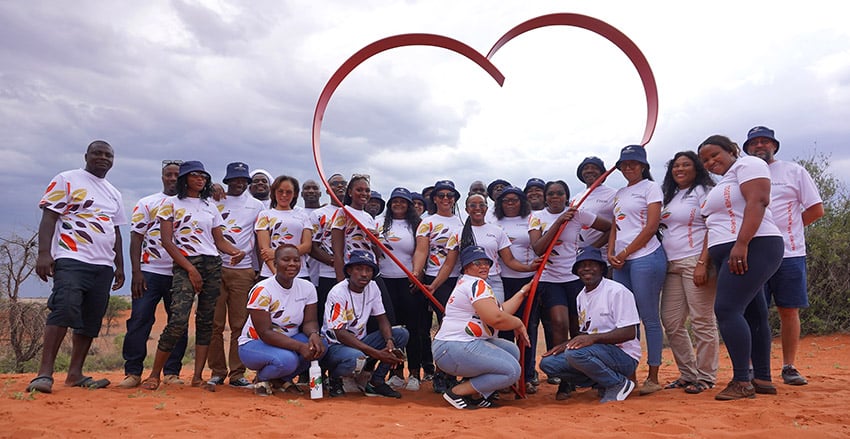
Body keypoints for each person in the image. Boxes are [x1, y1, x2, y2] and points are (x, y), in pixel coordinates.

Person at [28, 140, 126, 393]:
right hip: (72, 257)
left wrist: (120, 266)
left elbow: (115, 230)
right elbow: (49, 216)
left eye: (108, 155)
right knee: (64, 307)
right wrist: (43, 254)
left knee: (91, 319)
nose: (103, 158)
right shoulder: (66, 179)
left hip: (103, 264)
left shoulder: (113, 192)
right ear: (86, 156)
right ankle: (44, 374)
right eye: (98, 153)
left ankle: (75, 374)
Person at [141, 161, 246, 390]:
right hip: (186, 262)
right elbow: (167, 241)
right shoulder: (170, 204)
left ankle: (197, 376)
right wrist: (189, 269)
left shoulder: (210, 206)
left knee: (206, 321)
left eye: (204, 176)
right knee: (178, 319)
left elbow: (218, 242)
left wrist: (236, 252)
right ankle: (154, 374)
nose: (201, 180)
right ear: (185, 178)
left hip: (212, 264)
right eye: (195, 176)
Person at [698, 134, 784, 400]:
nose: (710, 162)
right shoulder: (724, 181)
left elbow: (757, 201)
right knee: (754, 312)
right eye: (705, 160)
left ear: (732, 150)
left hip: (753, 245)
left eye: (715, 155)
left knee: (726, 309)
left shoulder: (749, 165)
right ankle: (762, 378)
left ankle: (741, 381)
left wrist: (742, 243)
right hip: (734, 250)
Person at [743, 126, 824, 386]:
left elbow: (816, 209)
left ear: (774, 146)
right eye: (754, 143)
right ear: (747, 149)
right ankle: (754, 368)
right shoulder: (743, 174)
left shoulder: (794, 171)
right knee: (754, 312)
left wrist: (789, 230)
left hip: (790, 253)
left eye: (765, 142)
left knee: (789, 310)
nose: (760, 146)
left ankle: (789, 366)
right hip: (754, 254)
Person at [529, 180, 611, 398]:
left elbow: (609, 226)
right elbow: (538, 248)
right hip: (550, 279)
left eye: (560, 193)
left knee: (578, 327)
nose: (555, 197)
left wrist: (589, 251)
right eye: (551, 194)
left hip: (574, 278)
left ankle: (585, 374)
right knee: (558, 323)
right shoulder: (537, 217)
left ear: (566, 196)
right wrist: (558, 223)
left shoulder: (578, 213)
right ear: (546, 197)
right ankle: (564, 380)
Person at [118, 160, 188, 389]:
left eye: (177, 175)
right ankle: (133, 372)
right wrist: (136, 272)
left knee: (178, 322)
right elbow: (136, 238)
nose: (172, 178)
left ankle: (171, 372)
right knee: (139, 319)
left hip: (180, 274)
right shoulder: (147, 203)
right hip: (150, 272)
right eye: (168, 174)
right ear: (162, 177)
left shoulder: (192, 204)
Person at [539, 246, 641, 403]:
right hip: (597, 352)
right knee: (549, 363)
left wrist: (592, 339)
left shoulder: (617, 291)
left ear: (601, 268)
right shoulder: (581, 296)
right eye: (581, 265)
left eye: (592, 264)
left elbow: (629, 333)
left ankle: (618, 383)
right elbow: (586, 333)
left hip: (624, 357)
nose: (586, 269)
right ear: (577, 271)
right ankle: (603, 381)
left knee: (576, 354)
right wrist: (566, 344)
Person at [433, 246, 530, 409]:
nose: (484, 266)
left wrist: (522, 291)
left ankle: (476, 395)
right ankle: (456, 392)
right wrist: (518, 323)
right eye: (477, 263)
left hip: (451, 347)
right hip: (455, 347)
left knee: (511, 351)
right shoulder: (476, 284)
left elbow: (501, 311)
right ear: (466, 267)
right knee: (512, 371)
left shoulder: (471, 283)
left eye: (487, 263)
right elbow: (496, 319)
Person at [608, 145, 667, 396]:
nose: (628, 168)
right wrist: (612, 252)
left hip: (645, 256)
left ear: (643, 166)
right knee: (625, 319)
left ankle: (653, 375)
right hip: (621, 262)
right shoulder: (620, 192)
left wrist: (626, 252)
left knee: (648, 316)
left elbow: (652, 225)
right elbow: (615, 225)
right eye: (624, 164)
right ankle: (629, 374)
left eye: (633, 163)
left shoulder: (651, 188)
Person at [659, 151, 719, 394]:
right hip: (671, 265)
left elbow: (712, 226)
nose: (680, 169)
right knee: (671, 321)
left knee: (702, 320)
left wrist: (703, 263)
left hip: (696, 260)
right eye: (676, 166)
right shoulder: (670, 196)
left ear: (697, 168)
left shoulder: (703, 191)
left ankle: (706, 376)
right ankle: (687, 373)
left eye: (686, 164)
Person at [237, 245, 327, 396]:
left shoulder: (308, 288)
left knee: (320, 345)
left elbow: (309, 322)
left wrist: (313, 335)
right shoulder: (262, 290)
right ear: (275, 263)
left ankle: (280, 379)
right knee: (288, 360)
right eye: (286, 260)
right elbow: (265, 333)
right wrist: (300, 347)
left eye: (296, 260)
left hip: (288, 340)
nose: (292, 264)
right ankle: (262, 377)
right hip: (254, 343)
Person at [207, 162, 265, 388]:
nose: (239, 183)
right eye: (235, 179)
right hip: (214, 267)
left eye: (243, 180)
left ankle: (237, 373)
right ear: (227, 180)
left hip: (243, 270)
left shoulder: (257, 205)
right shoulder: (213, 199)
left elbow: (257, 235)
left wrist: (252, 261)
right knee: (214, 324)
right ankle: (217, 371)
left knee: (239, 323)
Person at [322, 250, 409, 398]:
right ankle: (334, 379)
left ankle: (377, 380)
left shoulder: (373, 287)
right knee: (356, 357)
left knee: (400, 334)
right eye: (359, 269)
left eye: (368, 270)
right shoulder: (338, 293)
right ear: (349, 271)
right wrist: (376, 353)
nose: (364, 274)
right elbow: (340, 333)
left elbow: (382, 318)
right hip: (335, 345)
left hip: (360, 342)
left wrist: (389, 342)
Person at [412, 180, 463, 392]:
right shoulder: (427, 222)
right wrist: (416, 274)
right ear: (434, 198)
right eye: (441, 195)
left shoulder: (463, 221)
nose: (445, 199)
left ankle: (451, 372)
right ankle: (440, 373)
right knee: (440, 327)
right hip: (433, 281)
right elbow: (422, 251)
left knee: (454, 328)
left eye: (449, 196)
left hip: (458, 280)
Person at [493, 186, 540, 392]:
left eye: (515, 200)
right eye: (506, 200)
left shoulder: (532, 218)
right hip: (502, 280)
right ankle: (507, 376)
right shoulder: (493, 221)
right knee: (503, 328)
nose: (510, 203)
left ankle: (527, 375)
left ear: (522, 201)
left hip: (528, 279)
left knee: (527, 328)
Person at [377, 187, 424, 391]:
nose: (398, 204)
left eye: (403, 201)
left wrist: (417, 274)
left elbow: (422, 251)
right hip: (385, 282)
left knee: (413, 329)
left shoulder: (417, 225)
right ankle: (395, 372)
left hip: (408, 281)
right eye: (394, 201)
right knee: (393, 329)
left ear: (409, 205)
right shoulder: (379, 223)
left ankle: (414, 373)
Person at [459, 193, 538, 303]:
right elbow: (449, 264)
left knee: (497, 315)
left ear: (486, 208)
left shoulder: (496, 231)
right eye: (473, 205)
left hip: (493, 280)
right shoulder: (458, 232)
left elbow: (509, 260)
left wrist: (530, 268)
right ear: (467, 209)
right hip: (468, 281)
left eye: (482, 205)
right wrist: (434, 285)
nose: (478, 208)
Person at [255, 175, 312, 282]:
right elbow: (265, 251)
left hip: (300, 273)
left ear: (295, 194)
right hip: (270, 274)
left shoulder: (302, 215)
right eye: (280, 191)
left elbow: (307, 246)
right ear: (274, 192)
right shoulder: (265, 215)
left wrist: (277, 253)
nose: (284, 195)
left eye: (288, 192)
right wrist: (277, 275)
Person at [310, 173, 347, 322]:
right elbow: (313, 247)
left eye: (343, 183)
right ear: (327, 190)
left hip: (355, 274)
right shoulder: (319, 214)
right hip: (327, 275)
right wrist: (335, 262)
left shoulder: (355, 212)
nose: (340, 186)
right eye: (334, 184)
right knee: (328, 316)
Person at [573, 157, 616, 256]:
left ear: (602, 173)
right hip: (578, 258)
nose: (589, 170)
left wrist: (592, 249)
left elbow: (617, 226)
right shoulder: (576, 198)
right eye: (586, 168)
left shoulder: (614, 194)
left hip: (603, 257)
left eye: (594, 168)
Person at [301, 178, 323, 286]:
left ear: (320, 194)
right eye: (307, 188)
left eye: (315, 188)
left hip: (324, 269)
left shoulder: (326, 213)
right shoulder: (298, 214)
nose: (311, 191)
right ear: (301, 194)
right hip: (303, 268)